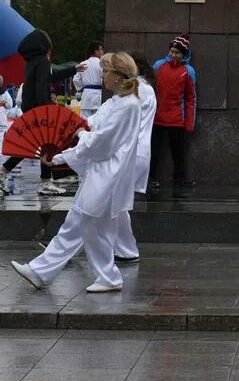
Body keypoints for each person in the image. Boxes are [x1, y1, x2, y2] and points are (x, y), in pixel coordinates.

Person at [11, 52, 142, 293]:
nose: (102, 75)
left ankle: (41, 271)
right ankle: (108, 276)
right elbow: (95, 130)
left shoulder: (126, 105)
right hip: (103, 175)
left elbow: (101, 144)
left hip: (106, 176)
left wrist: (70, 147)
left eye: (105, 71)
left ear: (117, 75)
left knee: (76, 224)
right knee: (95, 229)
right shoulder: (118, 102)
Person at [0, 30, 84, 196]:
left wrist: (72, 70)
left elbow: (48, 79)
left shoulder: (32, 62)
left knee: (35, 145)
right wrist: (47, 110)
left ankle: (4, 172)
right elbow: (43, 86)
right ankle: (45, 182)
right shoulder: (43, 63)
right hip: (40, 109)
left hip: (30, 107)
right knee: (45, 143)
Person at [113, 52, 158, 264]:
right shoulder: (140, 89)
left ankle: (125, 248)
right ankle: (123, 248)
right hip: (130, 150)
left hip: (130, 151)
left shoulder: (139, 90)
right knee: (112, 202)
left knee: (112, 201)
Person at [150, 33, 196, 187]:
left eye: (176, 52)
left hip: (177, 119)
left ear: (183, 54)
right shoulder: (158, 66)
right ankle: (151, 178)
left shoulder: (188, 71)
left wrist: (189, 122)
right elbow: (149, 91)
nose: (173, 54)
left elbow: (191, 98)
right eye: (171, 51)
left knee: (178, 153)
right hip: (157, 117)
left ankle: (179, 180)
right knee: (153, 151)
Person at [73, 41, 104, 119]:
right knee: (97, 118)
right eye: (101, 50)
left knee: (85, 120)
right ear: (96, 51)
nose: (102, 52)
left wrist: (82, 87)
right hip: (98, 94)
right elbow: (104, 78)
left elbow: (76, 79)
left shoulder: (83, 63)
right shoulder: (102, 64)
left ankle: (85, 131)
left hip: (86, 94)